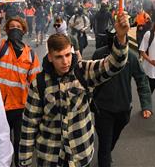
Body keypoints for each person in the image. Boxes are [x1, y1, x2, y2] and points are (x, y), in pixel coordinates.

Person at [19, 12, 130, 167]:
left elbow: (114, 64)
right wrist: (24, 160)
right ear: (50, 56)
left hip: (80, 155)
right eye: (59, 57)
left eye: (67, 55)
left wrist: (121, 38)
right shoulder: (39, 84)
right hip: (50, 158)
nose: (65, 61)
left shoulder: (83, 71)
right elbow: (29, 124)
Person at [0, 3, 41, 167]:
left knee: (20, 145)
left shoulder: (30, 55)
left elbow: (36, 85)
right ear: (7, 30)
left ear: (23, 31)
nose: (15, 29)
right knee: (0, 145)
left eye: (18, 27)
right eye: (11, 27)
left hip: (20, 107)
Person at [92, 29, 152, 167]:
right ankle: (105, 158)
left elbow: (141, 79)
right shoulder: (99, 54)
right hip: (103, 109)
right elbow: (90, 79)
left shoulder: (131, 57)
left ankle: (107, 153)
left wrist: (146, 104)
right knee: (105, 144)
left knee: (112, 139)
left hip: (123, 109)